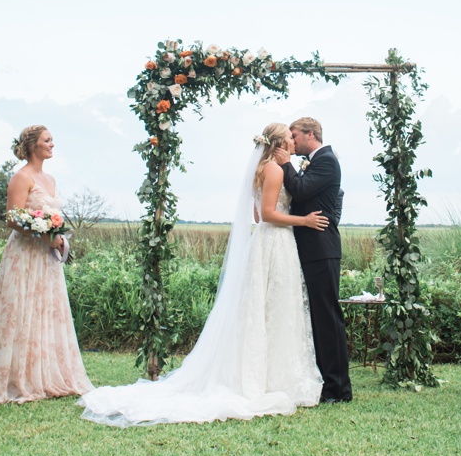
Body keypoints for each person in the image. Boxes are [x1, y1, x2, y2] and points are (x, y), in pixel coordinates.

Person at [80, 122, 325, 427]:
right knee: (274, 308)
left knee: (264, 308)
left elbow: (256, 216)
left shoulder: (261, 170)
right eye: (289, 137)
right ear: (277, 143)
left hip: (264, 242)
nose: (293, 140)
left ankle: (267, 375)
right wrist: (304, 220)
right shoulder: (275, 170)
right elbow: (269, 214)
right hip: (276, 243)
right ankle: (272, 379)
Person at [0, 125, 93, 404]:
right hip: (25, 254)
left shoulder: (50, 179)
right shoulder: (21, 177)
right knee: (22, 310)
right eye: (47, 140)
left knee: (45, 310)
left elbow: (51, 215)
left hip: (46, 258)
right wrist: (43, 233)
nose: (52, 144)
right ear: (32, 145)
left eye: (52, 139)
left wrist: (56, 235)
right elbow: (11, 219)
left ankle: (46, 374)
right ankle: (19, 379)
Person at [284, 117, 351, 402]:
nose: (292, 140)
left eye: (295, 135)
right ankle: (324, 381)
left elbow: (299, 190)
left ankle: (338, 388)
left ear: (310, 134)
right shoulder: (314, 161)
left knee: (327, 318)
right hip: (308, 248)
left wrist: (285, 163)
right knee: (315, 318)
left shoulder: (326, 160)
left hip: (322, 249)